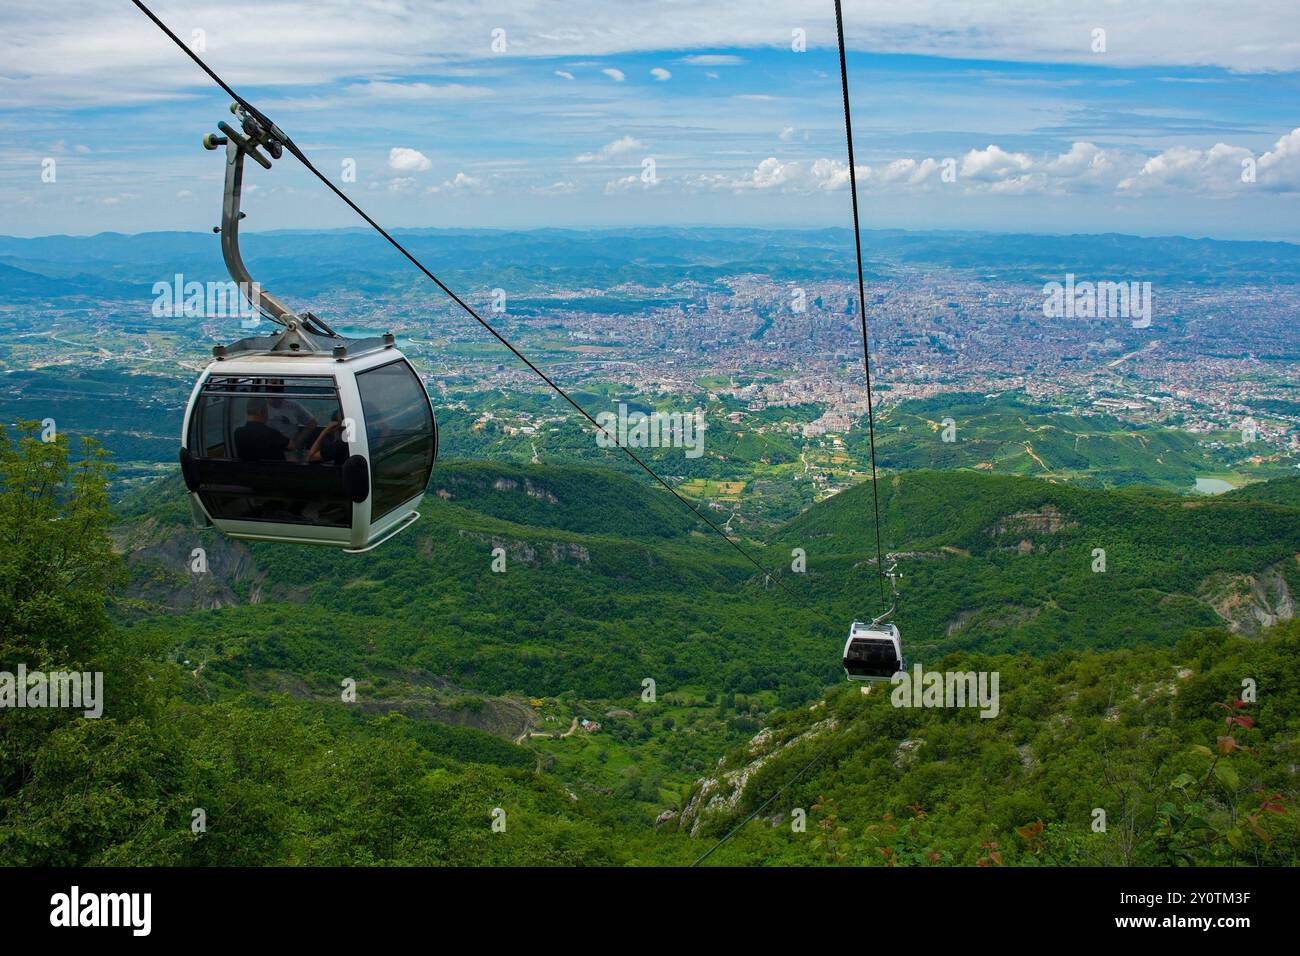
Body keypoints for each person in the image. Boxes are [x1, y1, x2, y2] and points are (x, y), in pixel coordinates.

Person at [234, 397, 290, 461]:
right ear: (260, 412)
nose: (268, 414)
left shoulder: (237, 432)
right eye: (267, 411)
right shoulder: (271, 433)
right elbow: (291, 446)